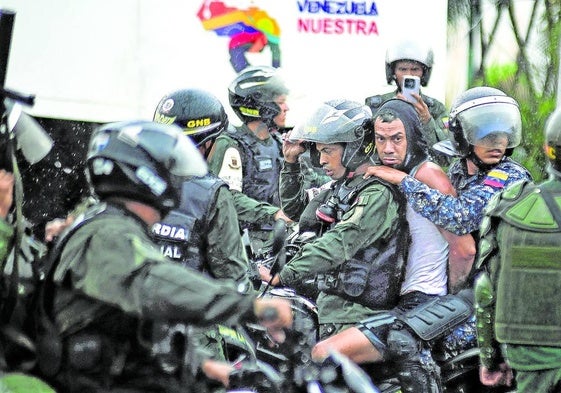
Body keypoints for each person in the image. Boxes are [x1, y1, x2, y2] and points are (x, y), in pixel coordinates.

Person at [35, 120, 293, 393]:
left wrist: (206, 367)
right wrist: (250, 307)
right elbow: (154, 284)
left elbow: (142, 329)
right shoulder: (107, 234)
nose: (178, 182)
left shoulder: (116, 227)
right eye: (170, 171)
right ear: (144, 175)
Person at [307, 99, 476, 392]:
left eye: (397, 139)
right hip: (396, 299)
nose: (387, 149)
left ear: (411, 135)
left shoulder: (427, 174)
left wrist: (449, 297)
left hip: (423, 301)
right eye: (380, 139)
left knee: (324, 353)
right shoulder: (384, 174)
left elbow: (464, 249)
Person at [259, 99, 409, 340]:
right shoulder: (344, 186)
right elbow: (296, 210)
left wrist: (285, 273)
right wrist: (291, 163)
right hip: (330, 308)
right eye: (319, 152)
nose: (322, 161)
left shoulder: (376, 193)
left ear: (354, 148)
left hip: (354, 317)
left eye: (328, 151)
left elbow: (340, 241)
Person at [474, 107, 561, 392]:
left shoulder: (510, 206)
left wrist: (490, 358)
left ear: (548, 150)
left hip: (530, 357)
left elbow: (485, 290)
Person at [207, 65, 290, 253]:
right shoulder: (230, 144)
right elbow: (227, 198)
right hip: (240, 244)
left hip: (277, 237)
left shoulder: (278, 144)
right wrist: (274, 214)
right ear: (262, 105)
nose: (287, 107)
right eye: (281, 102)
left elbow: (309, 180)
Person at [365, 39, 449, 165]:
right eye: (402, 69)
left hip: (421, 174)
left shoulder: (436, 108)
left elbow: (445, 159)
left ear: (424, 73)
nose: (408, 74)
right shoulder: (376, 105)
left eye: (415, 69)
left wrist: (427, 120)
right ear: (393, 72)